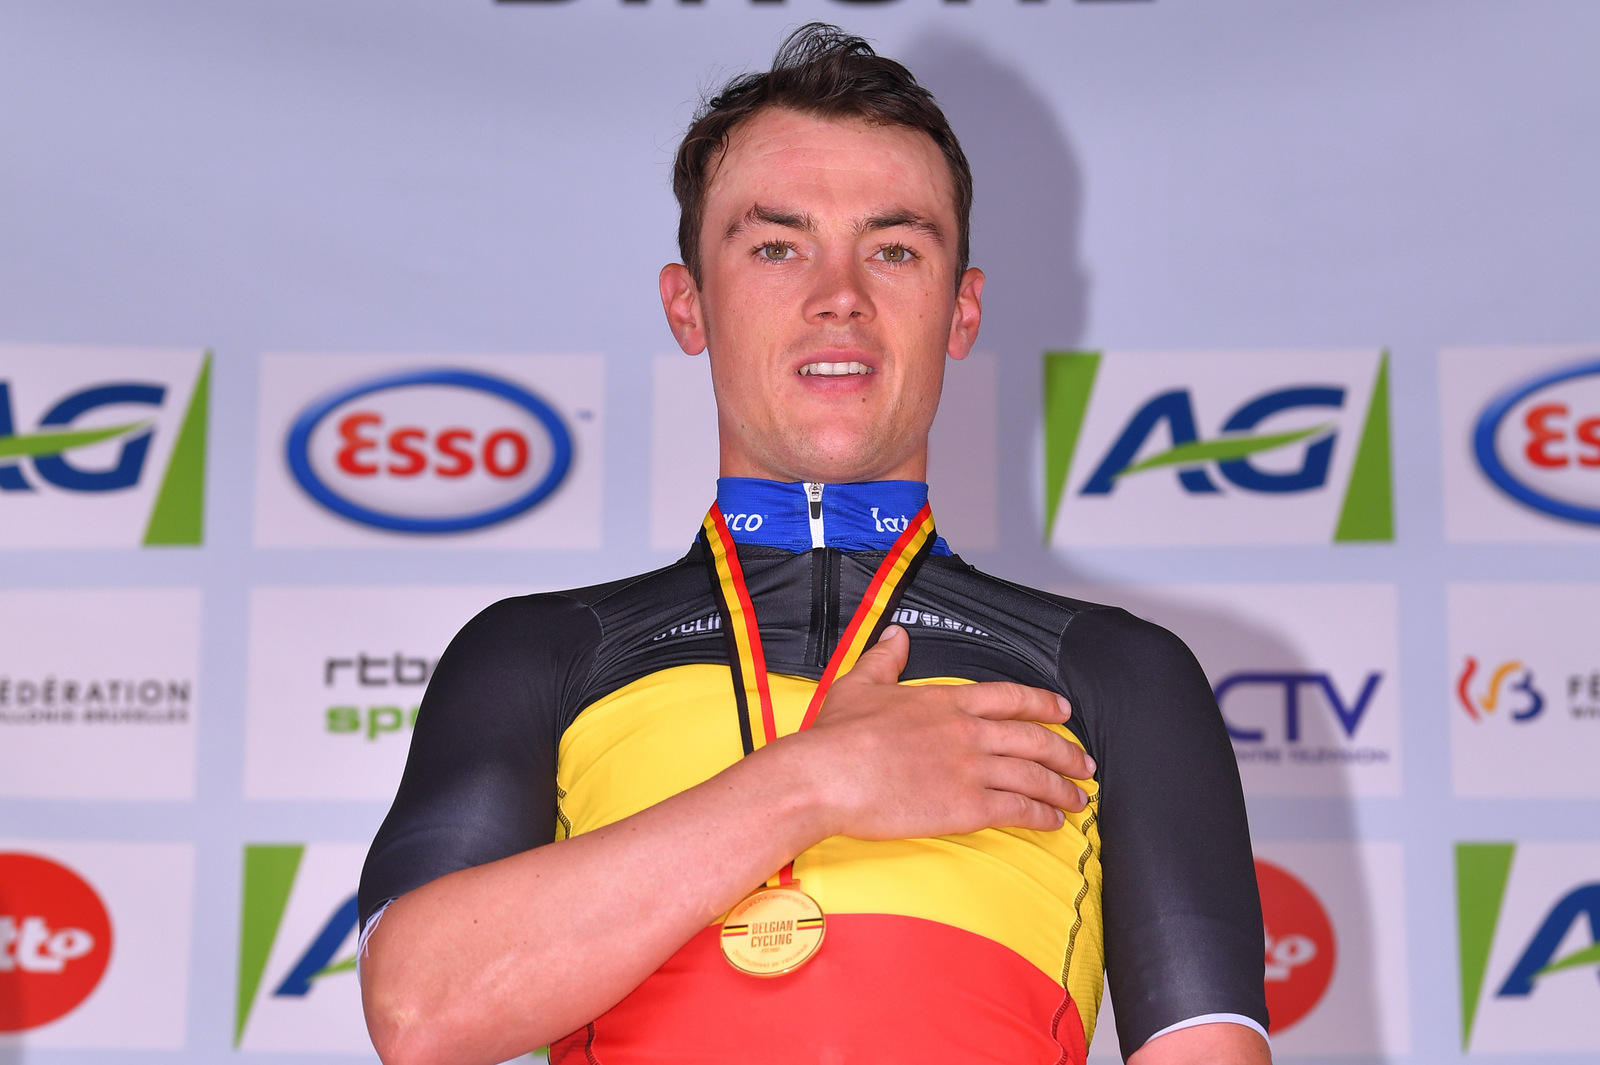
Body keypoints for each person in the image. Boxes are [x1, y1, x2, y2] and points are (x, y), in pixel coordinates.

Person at [358, 24, 1269, 1065]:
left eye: (894, 249)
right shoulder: (539, 652)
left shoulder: (1112, 671)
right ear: (689, 305)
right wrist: (816, 782)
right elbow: (421, 1013)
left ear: (961, 311)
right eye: (777, 246)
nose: (839, 294)